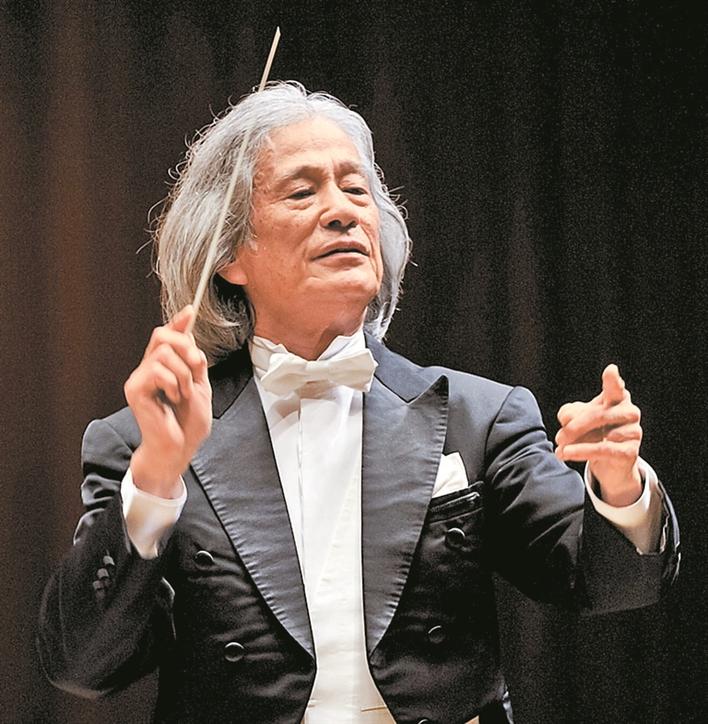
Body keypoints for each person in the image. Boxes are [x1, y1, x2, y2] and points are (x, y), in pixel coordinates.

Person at [38, 81, 679, 724]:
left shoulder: (477, 416)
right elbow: (82, 666)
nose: (343, 211)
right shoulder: (141, 443)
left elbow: (605, 583)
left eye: (356, 189)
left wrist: (618, 485)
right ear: (228, 254)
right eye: (302, 192)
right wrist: (156, 478)